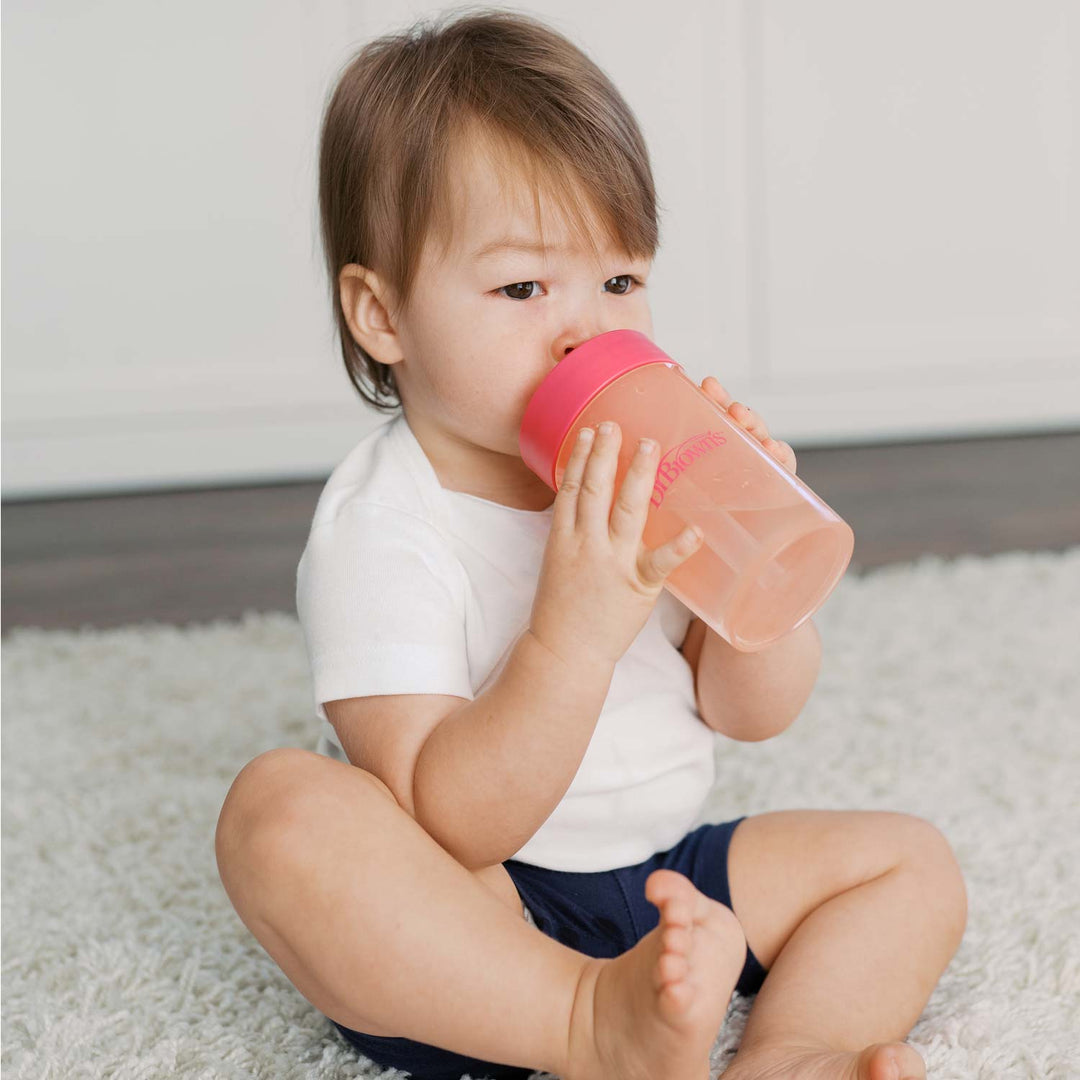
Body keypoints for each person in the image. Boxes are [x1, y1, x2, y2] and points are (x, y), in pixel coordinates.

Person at [214, 9, 968, 1079]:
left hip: (665, 876)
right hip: (481, 907)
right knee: (278, 816)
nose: (584, 329)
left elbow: (751, 713)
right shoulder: (384, 527)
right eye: (523, 288)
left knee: (910, 863)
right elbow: (454, 819)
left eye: (618, 281)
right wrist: (572, 634)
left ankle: (791, 1054)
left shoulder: (642, 467)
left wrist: (753, 550)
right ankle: (578, 1023)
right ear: (382, 316)